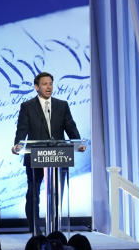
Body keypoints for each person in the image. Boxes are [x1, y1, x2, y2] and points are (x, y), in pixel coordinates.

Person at [11, 71, 84, 235]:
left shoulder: (62, 105)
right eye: (44, 84)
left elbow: (70, 126)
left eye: (50, 83)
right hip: (34, 156)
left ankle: (56, 229)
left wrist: (77, 142)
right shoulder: (27, 106)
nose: (48, 87)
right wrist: (17, 145)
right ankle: (35, 230)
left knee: (57, 195)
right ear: (36, 87)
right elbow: (21, 129)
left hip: (58, 156)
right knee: (33, 194)